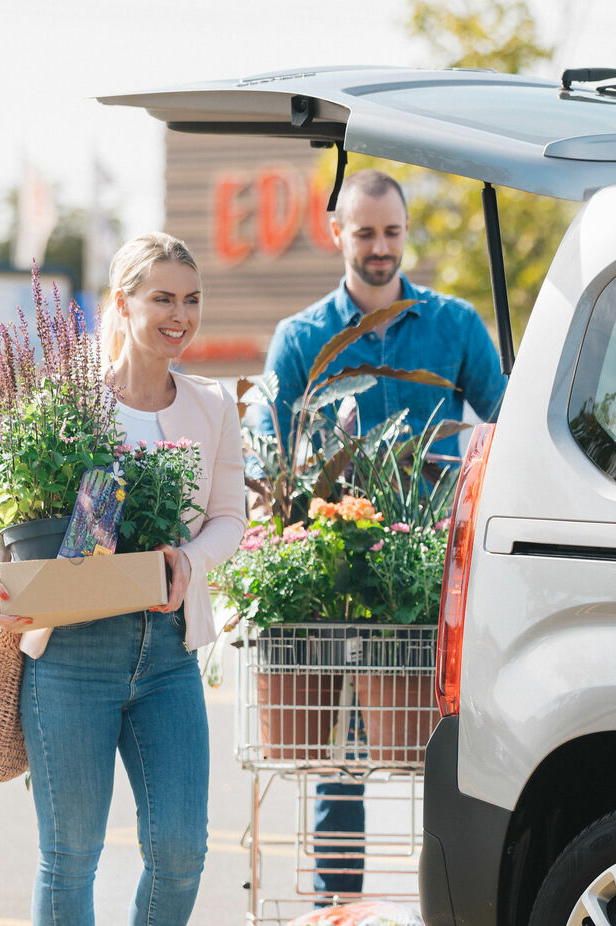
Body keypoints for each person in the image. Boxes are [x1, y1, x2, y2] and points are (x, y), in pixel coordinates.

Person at [0, 232, 246, 926]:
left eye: (191, 299)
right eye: (162, 298)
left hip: (167, 652)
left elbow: (228, 518)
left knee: (182, 850)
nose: (179, 315)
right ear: (123, 304)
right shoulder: (68, 397)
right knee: (70, 855)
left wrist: (190, 561)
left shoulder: (213, 405)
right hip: (70, 653)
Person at [252, 169, 506, 898]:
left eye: (392, 232)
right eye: (364, 233)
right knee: (342, 764)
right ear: (338, 234)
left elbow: (508, 419)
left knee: (455, 761)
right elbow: (266, 445)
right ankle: (340, 908)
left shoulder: (454, 327)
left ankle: (454, 906)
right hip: (345, 570)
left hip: (437, 572)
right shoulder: (301, 340)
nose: (380, 248)